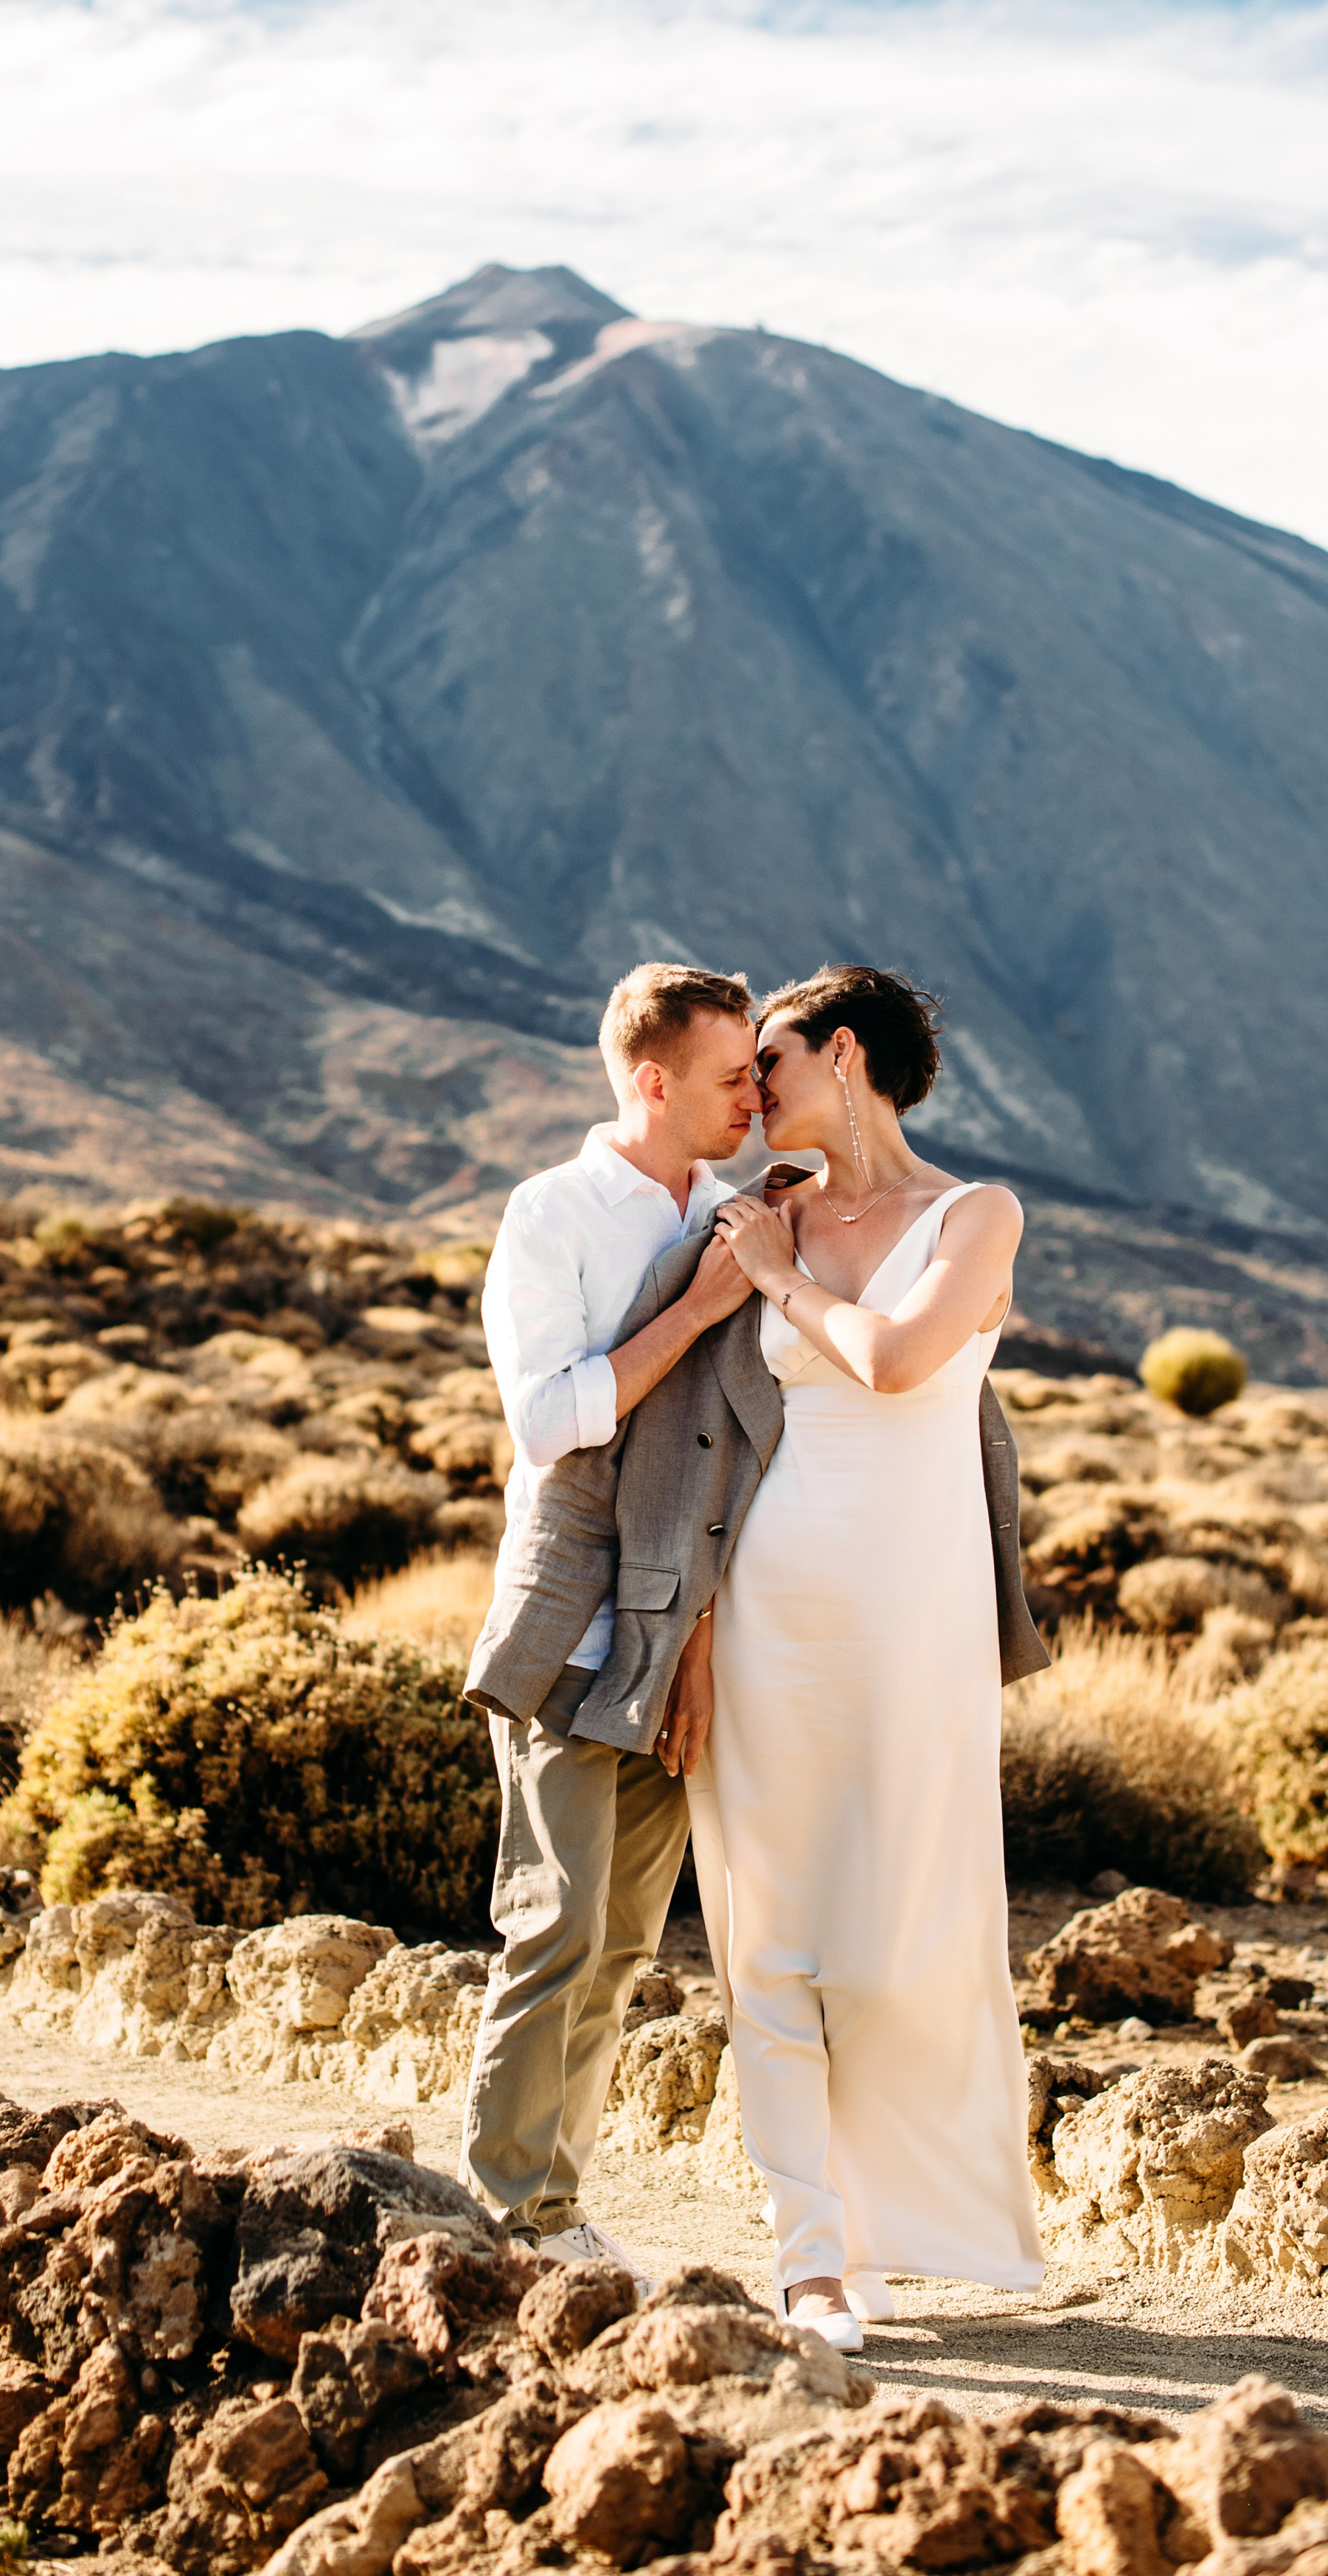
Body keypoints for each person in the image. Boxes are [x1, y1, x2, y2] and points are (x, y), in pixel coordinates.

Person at [684, 963, 1046, 2348]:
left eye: (766, 1066)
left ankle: (897, 2218)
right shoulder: (758, 1214)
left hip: (920, 1611)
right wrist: (688, 1627)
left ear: (844, 1055)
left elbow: (897, 1364)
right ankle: (812, 2254)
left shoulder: (975, 1215)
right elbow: (692, 1427)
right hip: (772, 1598)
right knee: (766, 1933)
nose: (752, 1095)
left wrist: (778, 1277)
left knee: (901, 1932)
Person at [459, 961, 762, 2274]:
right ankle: (492, 2217)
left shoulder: (743, 1212)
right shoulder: (556, 1215)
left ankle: (553, 2208)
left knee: (628, 1940)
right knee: (558, 1922)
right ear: (653, 1079)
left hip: (672, 1628)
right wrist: (696, 1309)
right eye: (732, 1074)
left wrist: (702, 1640)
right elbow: (549, 1417)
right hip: (571, 1617)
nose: (755, 1091)